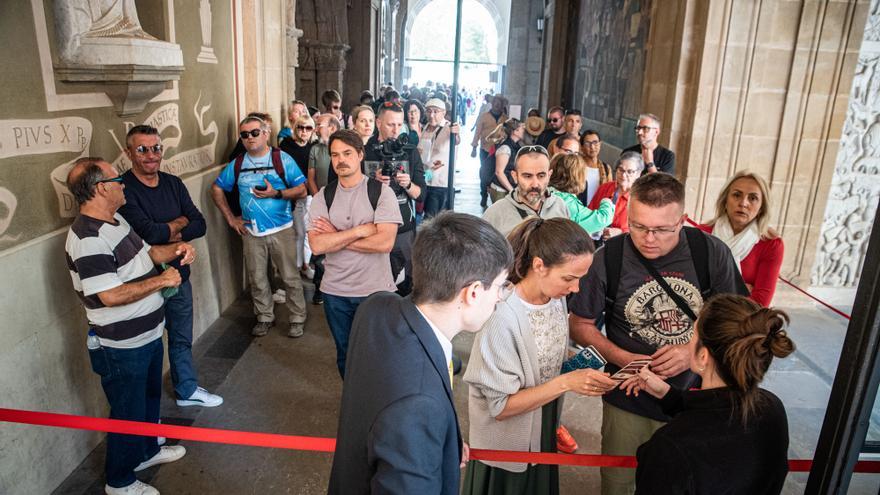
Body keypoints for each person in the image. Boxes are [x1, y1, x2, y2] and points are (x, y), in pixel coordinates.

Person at [568, 172, 747, 495]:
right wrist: (622, 357)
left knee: (685, 482)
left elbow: (739, 321)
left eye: (662, 229)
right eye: (638, 226)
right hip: (629, 398)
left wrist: (692, 352)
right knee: (619, 482)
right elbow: (580, 323)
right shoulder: (610, 257)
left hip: (697, 398)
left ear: (682, 221)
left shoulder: (711, 254)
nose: (649, 238)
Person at [329, 212, 514, 494]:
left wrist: (443, 439)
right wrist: (425, 436)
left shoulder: (377, 307)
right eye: (500, 287)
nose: (500, 297)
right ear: (473, 292)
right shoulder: (418, 408)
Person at [65, 157, 192, 495]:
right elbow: (109, 294)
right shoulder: (87, 237)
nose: (123, 183)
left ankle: (147, 451)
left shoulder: (115, 220)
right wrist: (161, 281)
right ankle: (119, 481)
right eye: (117, 178)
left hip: (146, 335)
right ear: (100, 188)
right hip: (121, 346)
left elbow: (147, 254)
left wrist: (175, 250)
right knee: (127, 411)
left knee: (149, 399)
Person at [463, 217, 617, 495]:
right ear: (539, 266)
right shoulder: (501, 317)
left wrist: (583, 364)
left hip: (542, 422)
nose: (576, 289)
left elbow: (544, 350)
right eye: (569, 278)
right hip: (508, 442)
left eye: (581, 279)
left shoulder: (555, 297)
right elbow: (501, 407)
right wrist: (568, 382)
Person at [624, 294, 793, 494]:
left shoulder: (670, 447)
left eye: (692, 337)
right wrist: (670, 396)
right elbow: (718, 414)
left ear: (703, 356)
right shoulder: (772, 407)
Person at [118, 125, 222, 408]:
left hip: (178, 278)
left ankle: (186, 389)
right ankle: (145, 411)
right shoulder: (123, 190)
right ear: (129, 153)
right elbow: (147, 234)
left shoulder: (173, 183)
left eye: (156, 148)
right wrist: (178, 224)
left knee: (180, 338)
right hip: (143, 284)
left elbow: (199, 224)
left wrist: (168, 230)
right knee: (147, 348)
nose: (151, 155)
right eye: (142, 149)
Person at [308, 130, 402, 377]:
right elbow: (317, 246)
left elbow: (385, 243)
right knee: (346, 354)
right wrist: (359, 231)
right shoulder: (322, 197)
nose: (341, 160)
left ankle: (379, 406)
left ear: (360, 155)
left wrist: (336, 237)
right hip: (335, 293)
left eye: (347, 153)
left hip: (375, 291)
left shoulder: (381, 193)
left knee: (379, 354)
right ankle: (355, 406)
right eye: (335, 155)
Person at [210, 115, 309, 338]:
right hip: (252, 232)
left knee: (290, 277)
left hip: (282, 229)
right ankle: (264, 316)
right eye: (244, 135)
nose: (249, 138)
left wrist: (278, 193)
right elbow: (217, 189)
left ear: (265, 134)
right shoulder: (237, 163)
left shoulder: (281, 159)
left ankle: (297, 317)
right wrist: (231, 218)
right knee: (257, 278)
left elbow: (302, 189)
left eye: (255, 133)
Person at [364, 102, 427, 296]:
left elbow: (421, 194)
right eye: (391, 124)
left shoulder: (410, 151)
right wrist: (371, 181)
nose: (396, 130)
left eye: (400, 125)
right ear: (378, 122)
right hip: (370, 227)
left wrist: (407, 184)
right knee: (371, 284)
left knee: (406, 285)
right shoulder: (365, 151)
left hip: (403, 231)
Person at [699, 171, 784, 306]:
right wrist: (740, 292)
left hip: (741, 323)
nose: (743, 203)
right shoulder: (702, 233)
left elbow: (760, 302)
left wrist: (714, 291)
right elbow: (689, 285)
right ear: (725, 200)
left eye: (753, 198)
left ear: (761, 207)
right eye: (737, 195)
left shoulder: (771, 244)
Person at [482, 145, 569, 237]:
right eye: (527, 176)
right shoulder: (495, 214)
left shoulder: (560, 206)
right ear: (515, 176)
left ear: (549, 175)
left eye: (541, 176)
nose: (535, 184)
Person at [307, 113, 342, 304]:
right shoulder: (315, 149)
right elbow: (310, 177)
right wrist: (318, 200)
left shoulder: (342, 148)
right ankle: (319, 286)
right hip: (321, 202)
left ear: (333, 128)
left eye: (320, 125)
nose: (316, 128)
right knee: (320, 245)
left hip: (341, 204)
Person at [280, 115, 318, 279]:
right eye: (300, 127)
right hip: (291, 195)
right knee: (297, 232)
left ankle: (305, 264)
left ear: (313, 130)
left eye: (308, 128)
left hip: (309, 194)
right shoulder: (286, 146)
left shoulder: (314, 147)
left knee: (308, 231)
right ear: (295, 129)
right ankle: (296, 266)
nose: (304, 131)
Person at [548, 152, 615, 236]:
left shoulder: (546, 192)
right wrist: (606, 202)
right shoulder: (569, 204)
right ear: (578, 177)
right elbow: (603, 218)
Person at [589, 152, 644, 244]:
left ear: (638, 174)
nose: (623, 175)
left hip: (625, 247)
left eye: (629, 172)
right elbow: (590, 214)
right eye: (621, 170)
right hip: (597, 244)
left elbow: (645, 230)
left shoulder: (642, 197)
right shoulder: (605, 188)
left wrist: (621, 232)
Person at [420, 98, 460, 217]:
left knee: (434, 220)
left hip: (441, 184)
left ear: (443, 113)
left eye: (435, 111)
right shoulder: (425, 127)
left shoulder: (448, 128)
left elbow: (457, 140)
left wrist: (456, 133)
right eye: (428, 111)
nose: (431, 115)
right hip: (426, 179)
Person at [472, 95, 508, 207]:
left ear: (502, 105)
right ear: (492, 103)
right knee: (484, 174)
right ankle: (483, 195)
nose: (497, 105)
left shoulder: (505, 118)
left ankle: (495, 196)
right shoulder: (484, 117)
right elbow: (477, 132)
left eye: (500, 103)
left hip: (500, 151)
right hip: (486, 150)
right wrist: (474, 147)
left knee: (497, 174)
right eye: (496, 102)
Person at [488, 119, 525, 203]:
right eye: (522, 128)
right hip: (501, 191)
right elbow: (499, 172)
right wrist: (512, 191)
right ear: (515, 131)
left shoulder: (515, 145)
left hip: (506, 189)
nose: (524, 131)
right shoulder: (505, 148)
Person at [578, 130, 613, 206]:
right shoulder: (576, 166)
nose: (592, 147)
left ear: (600, 144)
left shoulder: (606, 168)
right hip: (579, 210)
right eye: (588, 143)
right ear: (582, 146)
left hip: (598, 211)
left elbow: (610, 192)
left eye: (595, 142)